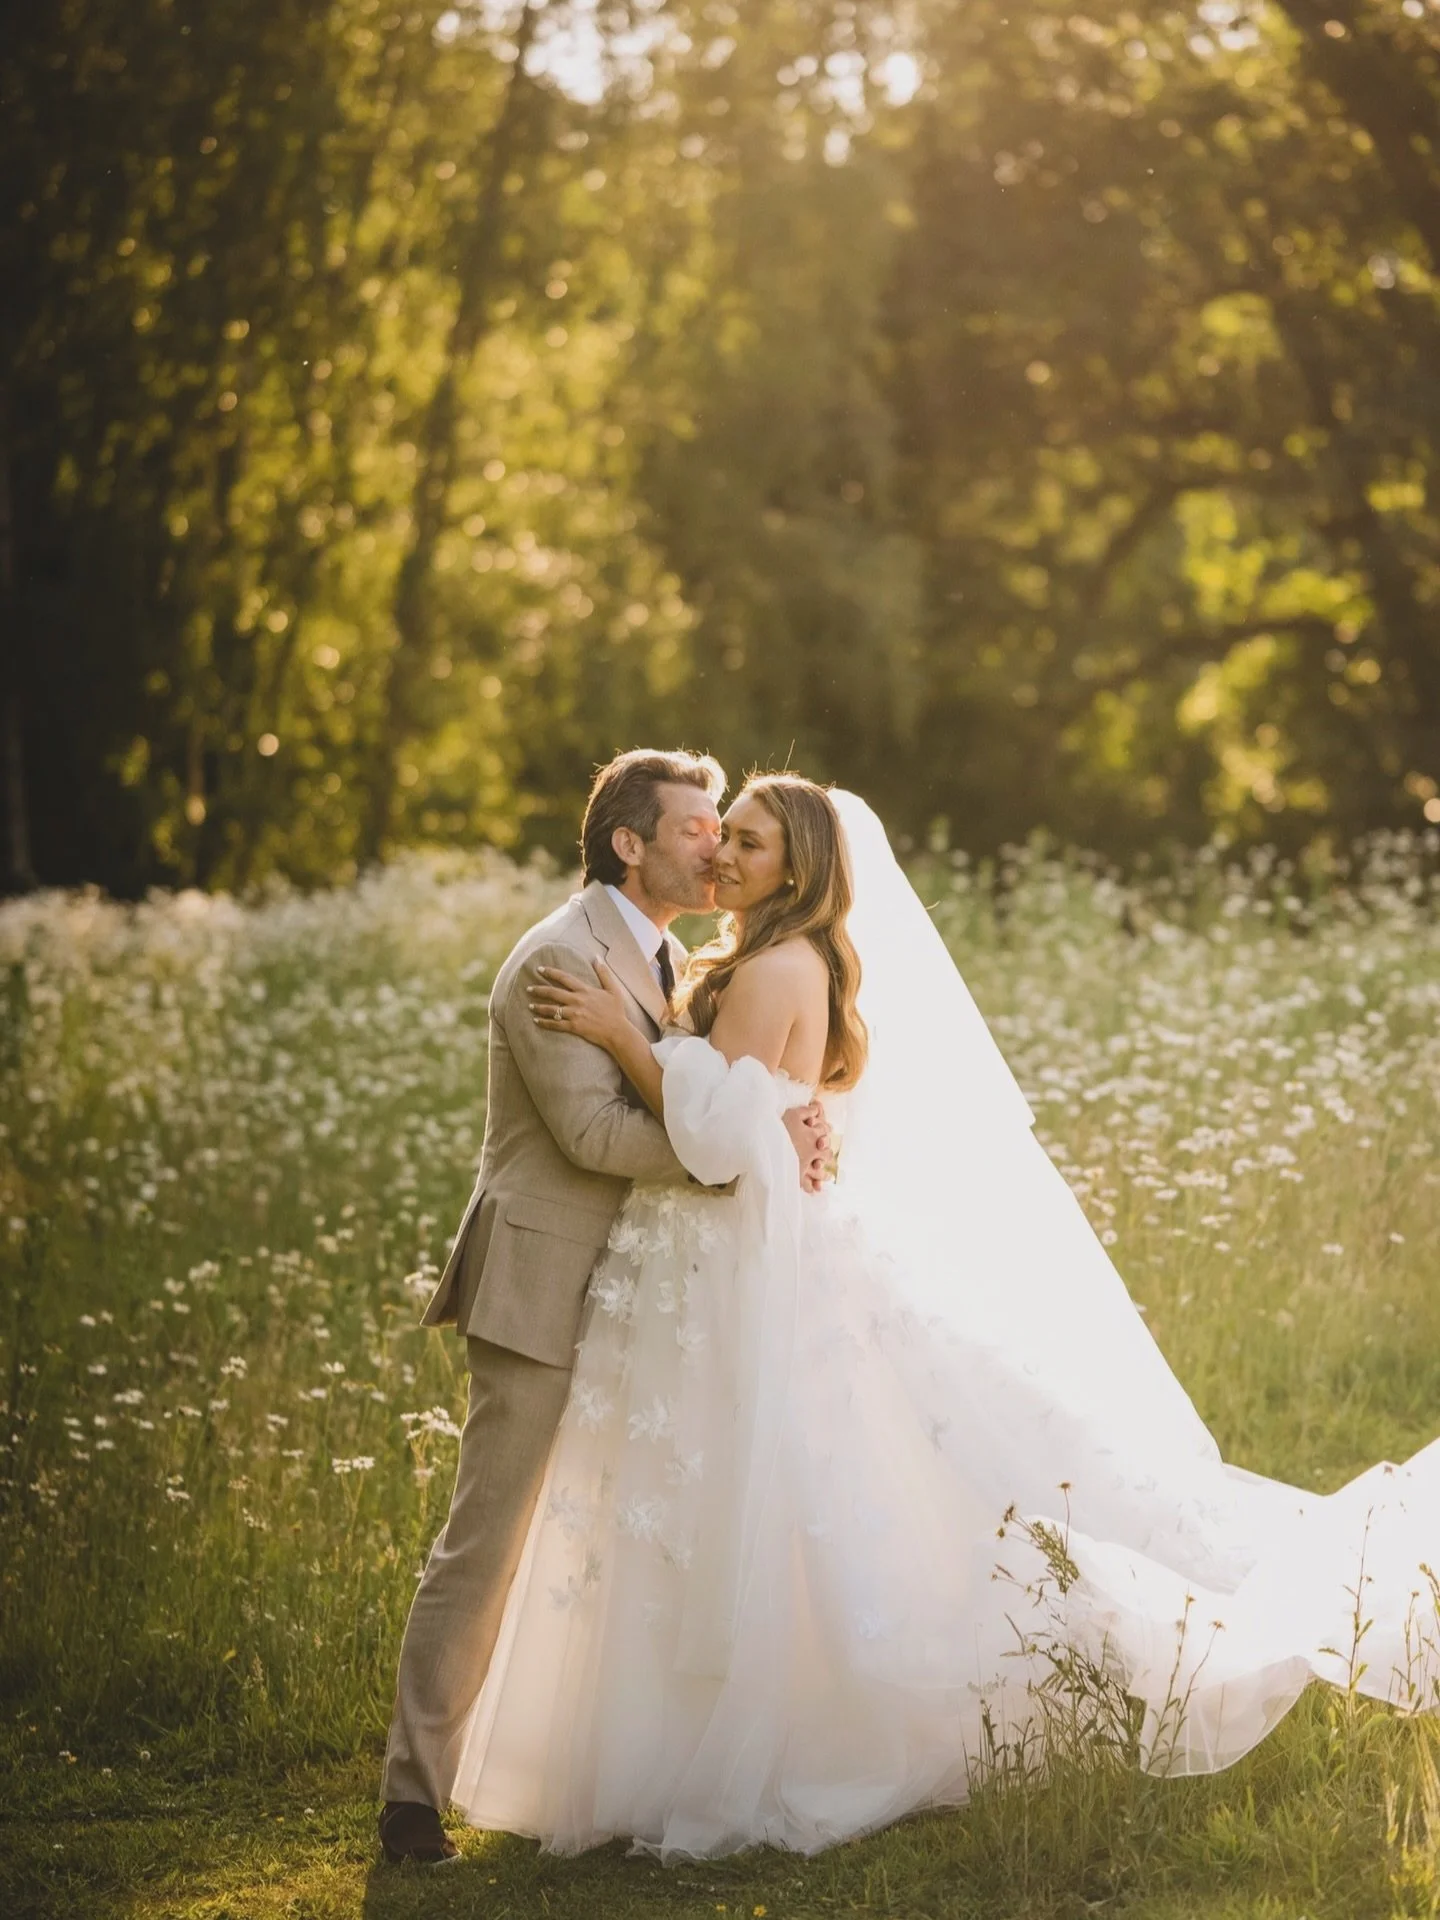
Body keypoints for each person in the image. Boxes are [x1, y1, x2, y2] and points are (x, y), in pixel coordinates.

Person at [450, 772, 1440, 1861]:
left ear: (802, 866)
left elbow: (717, 1138)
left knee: (789, 1485)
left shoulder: (777, 966)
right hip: (711, 1266)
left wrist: (635, 1045)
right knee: (773, 1488)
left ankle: (773, 1728)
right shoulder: (755, 960)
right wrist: (779, 1116)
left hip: (737, 1263)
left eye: (748, 839)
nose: (725, 851)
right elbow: (755, 1115)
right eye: (719, 834)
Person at [378, 751, 829, 1866]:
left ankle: (613, 1769)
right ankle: (410, 1798)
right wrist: (746, 1151)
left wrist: (773, 1113)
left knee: (623, 1530)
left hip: (641, 1286)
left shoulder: (668, 952)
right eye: (695, 828)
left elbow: (704, 1075)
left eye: (726, 829)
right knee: (488, 1538)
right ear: (630, 843)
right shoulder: (556, 959)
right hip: (542, 1274)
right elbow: (593, 1138)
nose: (715, 846)